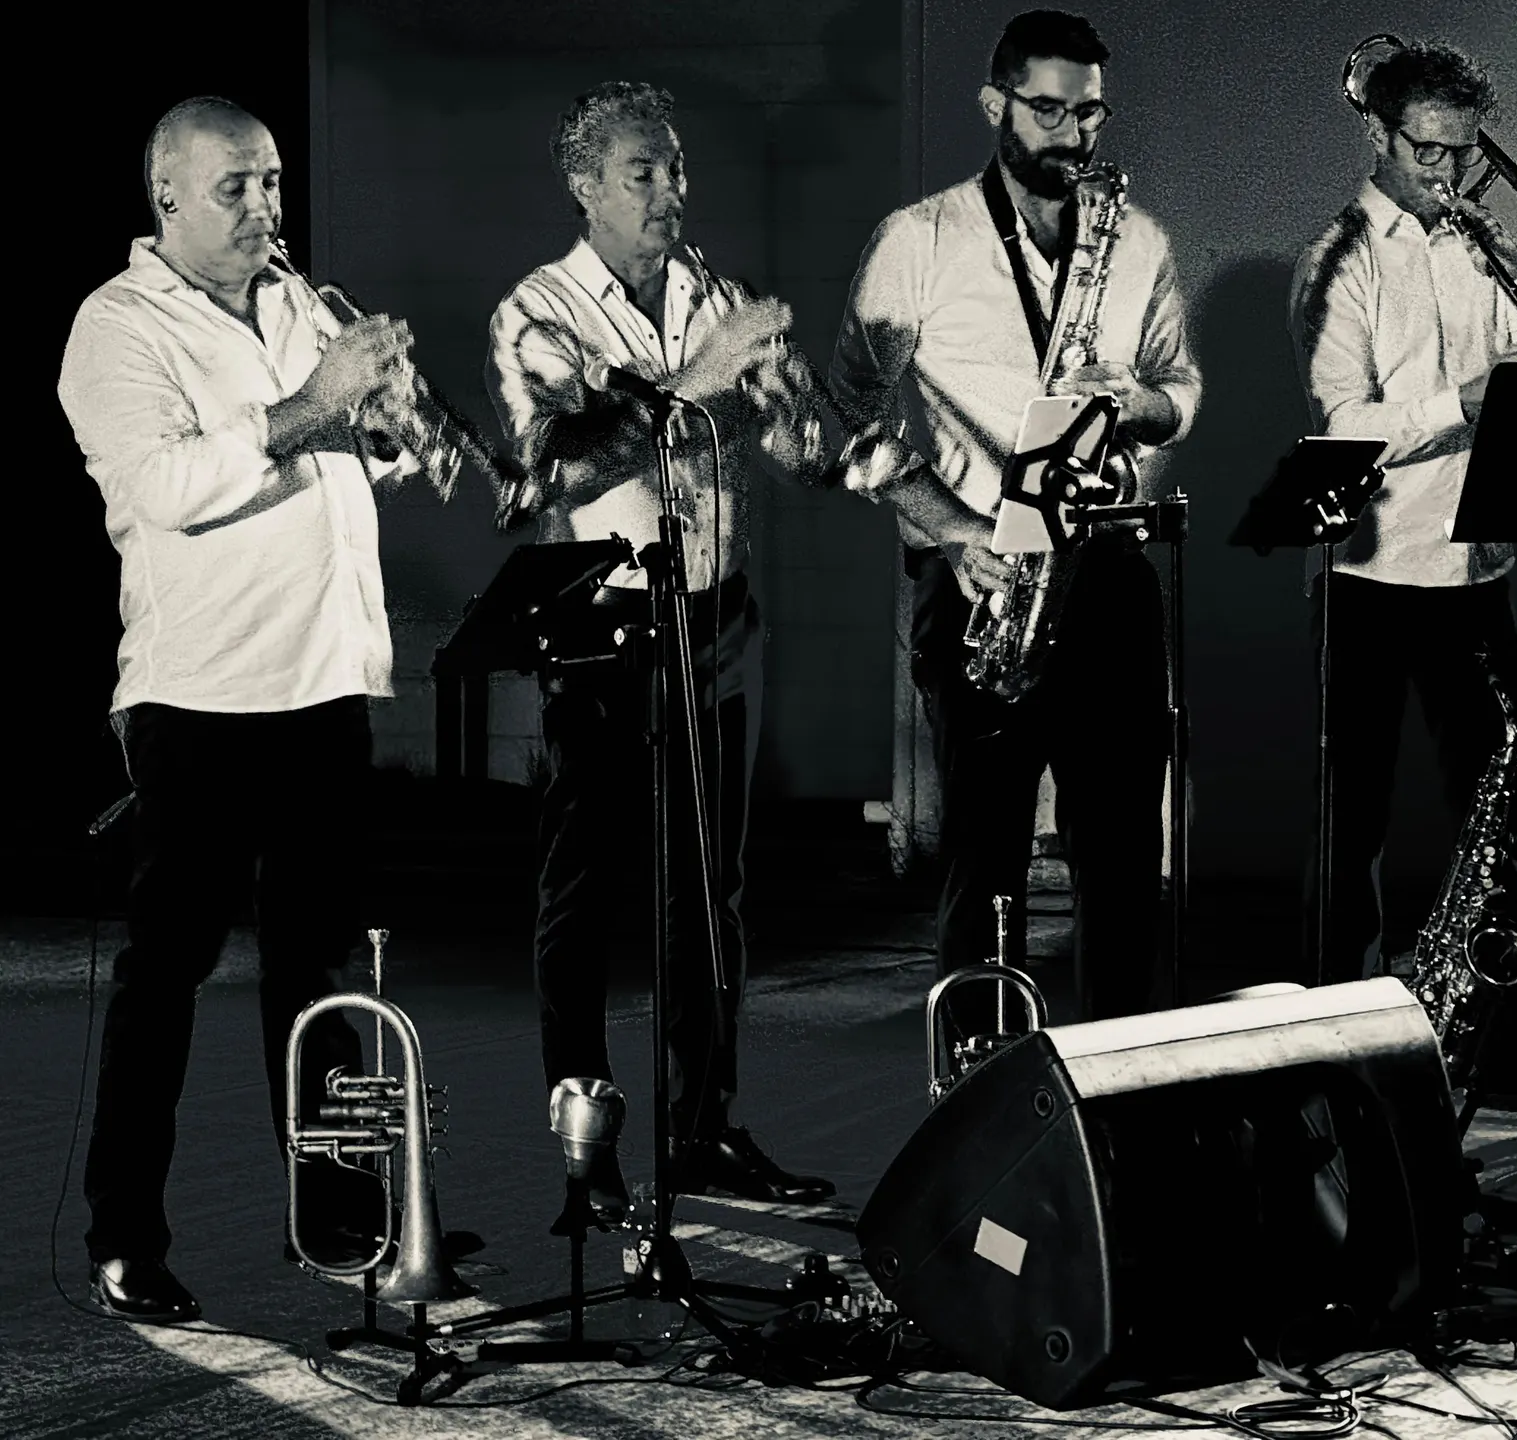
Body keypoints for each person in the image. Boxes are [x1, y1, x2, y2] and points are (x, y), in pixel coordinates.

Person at [58, 96, 428, 1322]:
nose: (267, 207)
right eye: (238, 187)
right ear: (167, 195)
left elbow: (357, 464)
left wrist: (389, 420)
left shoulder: (300, 303)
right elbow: (166, 486)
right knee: (167, 973)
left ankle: (338, 1215)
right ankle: (124, 1237)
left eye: (272, 182)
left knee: (318, 968)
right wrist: (318, 400)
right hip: (202, 693)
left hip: (324, 677)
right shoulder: (117, 325)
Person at [486, 81, 835, 1222]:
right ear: (585, 185)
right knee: (583, 887)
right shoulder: (538, 311)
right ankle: (584, 1144)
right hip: (600, 623)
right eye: (644, 172)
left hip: (716, 614)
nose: (670, 190)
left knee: (710, 889)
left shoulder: (714, 294)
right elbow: (553, 468)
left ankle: (703, 1130)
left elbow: (803, 448)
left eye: (676, 168)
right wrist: (701, 381)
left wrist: (796, 395)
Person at [829, 10, 1202, 1033]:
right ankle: (977, 1080)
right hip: (982, 573)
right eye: (1047, 110)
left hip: (1107, 565)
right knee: (985, 856)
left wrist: (1138, 400)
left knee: (1124, 854)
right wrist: (950, 527)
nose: (1073, 134)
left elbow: (1180, 390)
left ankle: (1120, 1077)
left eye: (1090, 113)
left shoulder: (1138, 241)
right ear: (994, 104)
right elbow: (845, 414)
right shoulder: (919, 241)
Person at [1288, 40, 1517, 1093]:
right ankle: (1330, 1042)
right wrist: (1466, 402)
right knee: (1349, 824)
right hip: (1367, 573)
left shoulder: (1476, 248)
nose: (1447, 173)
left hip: (1475, 565)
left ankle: (1505, 1038)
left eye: (1463, 153)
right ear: (1379, 133)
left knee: (1495, 819)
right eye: (1427, 151)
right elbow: (1342, 423)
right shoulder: (1341, 259)